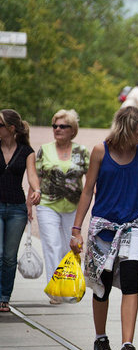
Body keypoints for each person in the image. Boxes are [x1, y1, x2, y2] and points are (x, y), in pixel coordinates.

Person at [69, 106, 138, 350]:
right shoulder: (100, 151)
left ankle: (127, 345)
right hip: (103, 227)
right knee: (102, 284)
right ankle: (101, 338)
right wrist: (76, 230)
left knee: (130, 281)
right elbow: (87, 190)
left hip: (133, 226)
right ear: (126, 128)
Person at [30, 109, 90, 301]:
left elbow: (91, 178)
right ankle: (54, 290)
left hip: (73, 206)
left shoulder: (82, 152)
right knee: (52, 246)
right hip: (48, 204)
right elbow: (36, 177)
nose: (57, 129)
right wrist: (30, 201)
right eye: (55, 125)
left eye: (62, 126)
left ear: (73, 130)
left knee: (69, 247)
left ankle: (68, 287)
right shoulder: (45, 150)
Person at [0, 109, 41, 312]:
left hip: (16, 208)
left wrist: (37, 189)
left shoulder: (27, 151)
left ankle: (4, 297)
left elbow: (32, 175)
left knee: (9, 256)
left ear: (10, 128)